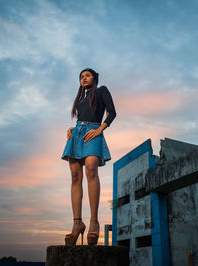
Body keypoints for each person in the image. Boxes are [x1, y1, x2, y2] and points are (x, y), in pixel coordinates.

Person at [61, 68, 116, 245]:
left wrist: (99, 130)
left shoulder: (102, 91)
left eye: (87, 75)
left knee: (91, 169)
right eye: (81, 77)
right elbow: (80, 119)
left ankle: (94, 222)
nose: (84, 78)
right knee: (75, 177)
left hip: (93, 131)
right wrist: (71, 129)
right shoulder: (80, 100)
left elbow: (112, 112)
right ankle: (77, 224)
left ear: (95, 78)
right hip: (76, 134)